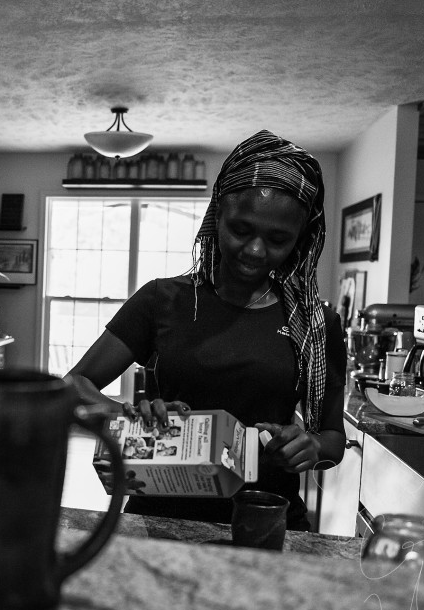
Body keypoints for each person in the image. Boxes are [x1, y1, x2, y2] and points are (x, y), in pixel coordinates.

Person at [66, 130, 346, 530]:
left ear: (301, 240)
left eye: (278, 239)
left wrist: (312, 445)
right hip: (160, 516)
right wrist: (128, 415)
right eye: (241, 229)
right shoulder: (163, 300)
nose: (255, 250)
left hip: (264, 522)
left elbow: (333, 438)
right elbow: (73, 385)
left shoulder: (316, 324)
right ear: (217, 215)